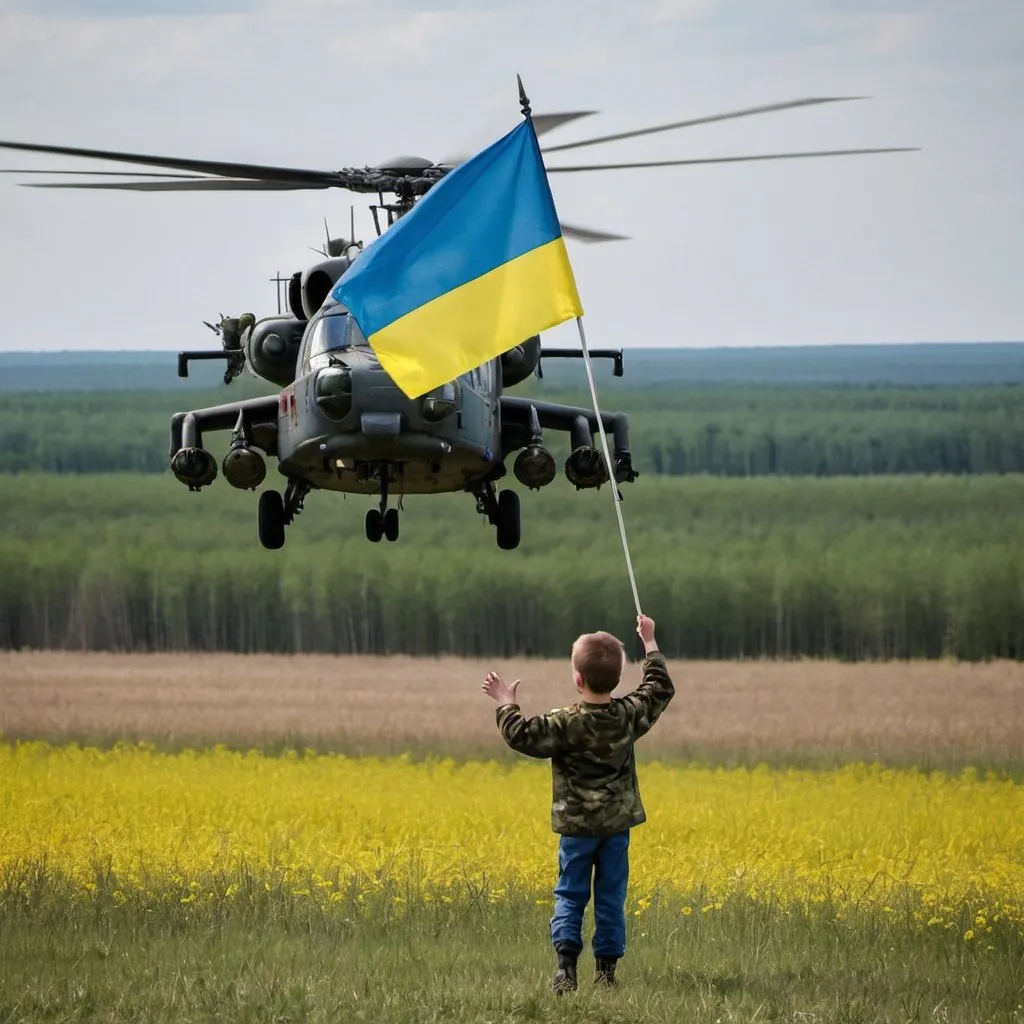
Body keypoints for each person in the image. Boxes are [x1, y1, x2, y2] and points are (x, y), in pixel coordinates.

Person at [481, 614, 674, 994]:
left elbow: (521, 736)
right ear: (617, 679)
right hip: (616, 828)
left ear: (577, 679)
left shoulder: (564, 722)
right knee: (611, 896)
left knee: (570, 893)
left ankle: (565, 968)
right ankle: (606, 972)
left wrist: (506, 703)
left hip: (576, 829)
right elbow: (659, 688)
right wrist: (649, 642)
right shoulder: (628, 715)